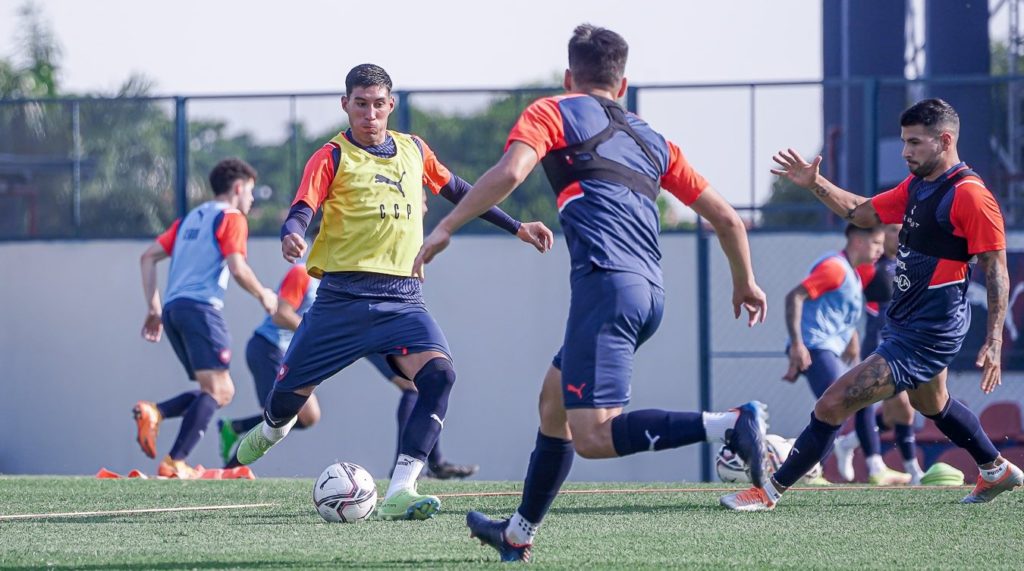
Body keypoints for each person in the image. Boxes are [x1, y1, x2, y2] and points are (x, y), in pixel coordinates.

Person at [414, 24, 770, 562]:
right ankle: (517, 533)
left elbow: (511, 171)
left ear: (568, 76)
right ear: (622, 84)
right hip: (648, 292)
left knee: (594, 437)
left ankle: (730, 423)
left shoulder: (553, 110)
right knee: (552, 403)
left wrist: (445, 226)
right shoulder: (656, 140)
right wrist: (744, 281)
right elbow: (727, 219)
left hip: (606, 288)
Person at [229, 63, 553, 520]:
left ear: (390, 105)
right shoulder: (330, 156)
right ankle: (271, 429)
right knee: (285, 406)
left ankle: (402, 487)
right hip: (341, 300)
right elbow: (304, 205)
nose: (369, 113)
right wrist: (292, 233)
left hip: (402, 299)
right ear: (346, 105)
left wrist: (517, 226)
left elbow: (461, 189)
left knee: (439, 375)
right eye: (360, 104)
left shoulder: (414, 149)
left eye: (378, 104)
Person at [721, 98, 1023, 511]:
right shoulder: (919, 185)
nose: (905, 151)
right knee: (931, 404)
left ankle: (767, 492)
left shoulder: (971, 196)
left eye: (914, 142)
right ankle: (995, 468)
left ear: (945, 140)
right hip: (906, 325)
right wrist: (814, 183)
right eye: (904, 141)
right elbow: (860, 212)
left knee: (832, 403)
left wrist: (992, 338)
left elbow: (996, 268)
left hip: (927, 334)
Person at [218, 263, 478, 479]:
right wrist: (326, 337)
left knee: (412, 385)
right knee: (295, 415)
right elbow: (280, 314)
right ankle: (230, 466)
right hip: (269, 348)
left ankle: (420, 466)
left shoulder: (356, 285)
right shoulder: (303, 274)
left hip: (342, 336)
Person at [134, 158, 277, 478]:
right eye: (251, 191)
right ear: (238, 187)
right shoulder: (232, 217)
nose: (252, 200)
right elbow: (237, 268)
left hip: (173, 312)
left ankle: (156, 413)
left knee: (214, 391)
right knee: (220, 392)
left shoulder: (188, 220)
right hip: (201, 311)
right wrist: (264, 295)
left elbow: (148, 257)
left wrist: (154, 308)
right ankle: (174, 460)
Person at [781, 224, 911, 485]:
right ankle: (809, 469)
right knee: (838, 406)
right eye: (875, 243)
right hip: (815, 346)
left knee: (860, 398)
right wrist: (797, 344)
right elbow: (795, 296)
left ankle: (873, 468)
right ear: (858, 241)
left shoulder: (850, 273)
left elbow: (837, 309)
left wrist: (852, 339)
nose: (879, 250)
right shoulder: (835, 268)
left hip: (825, 348)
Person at [832, 223, 927, 484]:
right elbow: (846, 297)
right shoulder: (870, 266)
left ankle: (849, 443)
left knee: (898, 412)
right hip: (878, 343)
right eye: (893, 230)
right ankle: (908, 471)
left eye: (902, 229)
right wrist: (850, 334)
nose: (899, 235)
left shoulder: (909, 261)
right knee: (889, 405)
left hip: (905, 343)